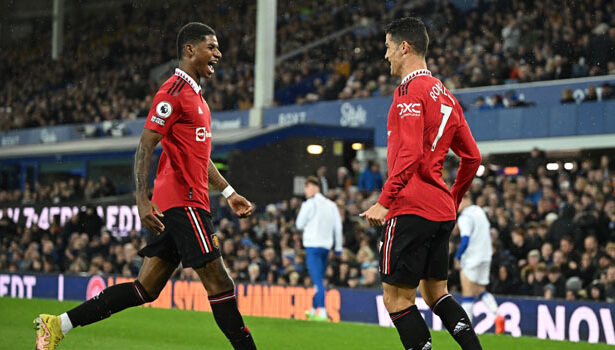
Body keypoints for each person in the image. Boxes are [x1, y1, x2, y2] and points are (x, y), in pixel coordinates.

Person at [34, 23, 257, 350]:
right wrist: (141, 197)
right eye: (212, 47)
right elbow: (145, 144)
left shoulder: (197, 98)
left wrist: (228, 192)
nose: (219, 54)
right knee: (220, 282)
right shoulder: (173, 92)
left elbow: (200, 158)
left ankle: (58, 325)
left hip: (185, 202)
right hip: (184, 203)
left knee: (145, 289)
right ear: (190, 50)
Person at [360, 17, 482, 350]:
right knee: (436, 294)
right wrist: (452, 199)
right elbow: (473, 158)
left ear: (404, 47)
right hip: (441, 211)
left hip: (410, 207)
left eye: (387, 47)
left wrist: (385, 201)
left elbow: (411, 154)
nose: (385, 56)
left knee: (396, 300)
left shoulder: (409, 92)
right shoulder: (448, 98)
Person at [455, 193, 504, 332]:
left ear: (466, 199)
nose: (456, 205)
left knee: (467, 293)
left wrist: (457, 256)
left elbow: (465, 239)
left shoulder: (465, 217)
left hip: (472, 258)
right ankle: (498, 315)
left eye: (458, 200)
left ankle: (467, 328)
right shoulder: (479, 211)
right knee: (480, 289)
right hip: (485, 256)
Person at [296, 176, 343, 321]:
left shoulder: (309, 204)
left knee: (317, 281)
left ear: (314, 187)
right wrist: (339, 247)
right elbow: (338, 227)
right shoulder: (331, 205)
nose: (305, 191)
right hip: (326, 248)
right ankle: (312, 308)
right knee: (319, 279)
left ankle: (322, 312)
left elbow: (299, 224)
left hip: (312, 247)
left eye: (307, 187)